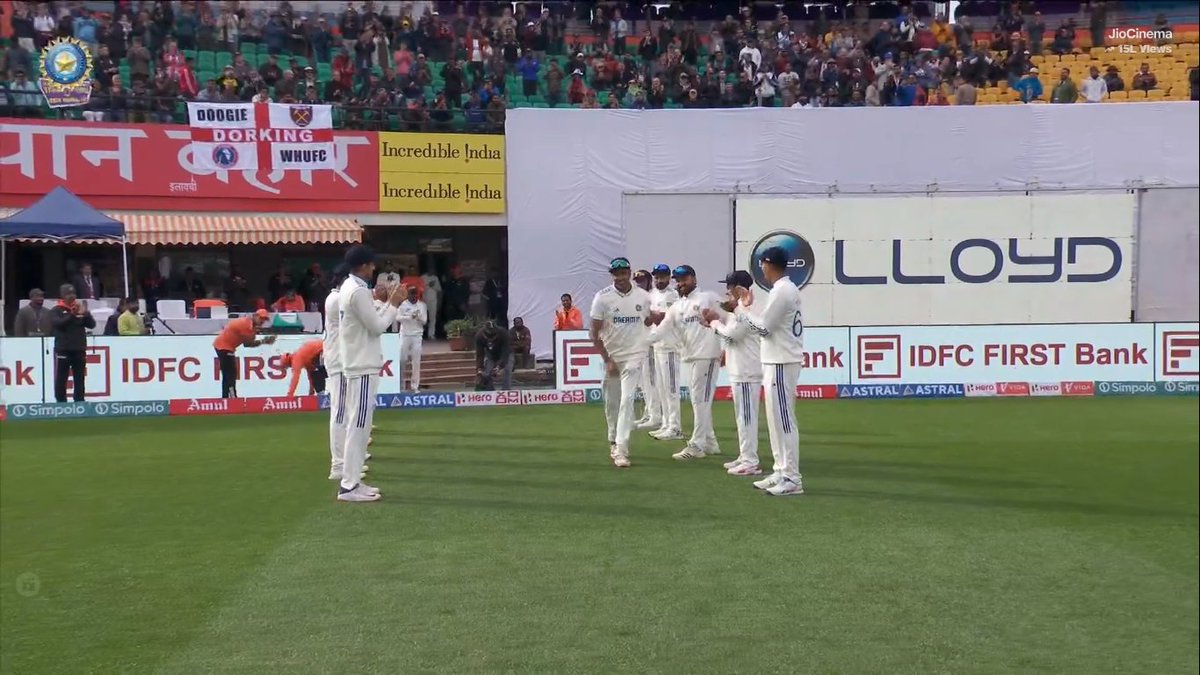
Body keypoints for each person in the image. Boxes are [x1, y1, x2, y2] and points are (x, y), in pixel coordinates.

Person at [729, 246, 807, 496]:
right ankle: (781, 470)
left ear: (769, 264)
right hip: (775, 360)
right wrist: (747, 309)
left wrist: (741, 310)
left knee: (784, 420)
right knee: (775, 420)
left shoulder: (783, 290)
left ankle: (792, 478)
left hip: (782, 361)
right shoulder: (782, 290)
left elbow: (764, 329)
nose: (761, 268)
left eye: (762, 263)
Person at [337, 245, 404, 503]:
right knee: (359, 425)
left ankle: (352, 481)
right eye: (371, 265)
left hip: (358, 363)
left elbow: (369, 321)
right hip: (361, 364)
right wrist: (394, 304)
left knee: (360, 425)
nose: (374, 268)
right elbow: (377, 327)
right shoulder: (357, 291)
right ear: (363, 266)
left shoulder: (350, 288)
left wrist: (385, 302)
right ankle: (349, 485)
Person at [649, 265, 724, 460]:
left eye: (684, 279)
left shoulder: (708, 297)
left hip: (707, 356)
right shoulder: (677, 306)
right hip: (689, 356)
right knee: (698, 400)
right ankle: (710, 442)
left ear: (694, 278)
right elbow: (661, 329)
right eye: (678, 280)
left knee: (701, 401)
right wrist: (640, 344)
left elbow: (728, 318)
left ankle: (697, 444)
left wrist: (725, 348)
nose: (681, 284)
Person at [589, 257, 657, 468]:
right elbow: (594, 332)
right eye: (615, 273)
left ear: (629, 272)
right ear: (612, 275)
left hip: (635, 355)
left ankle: (621, 448)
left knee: (627, 400)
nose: (619, 277)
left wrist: (660, 318)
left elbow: (647, 320)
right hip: (613, 356)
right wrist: (607, 359)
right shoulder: (602, 297)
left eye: (623, 272)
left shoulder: (644, 297)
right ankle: (613, 439)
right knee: (613, 402)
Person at [703, 271, 763, 476]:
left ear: (738, 288)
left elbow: (733, 334)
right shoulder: (737, 310)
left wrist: (713, 322)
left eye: (729, 287)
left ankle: (750, 460)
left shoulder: (746, 308)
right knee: (742, 416)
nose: (726, 291)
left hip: (747, 370)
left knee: (746, 417)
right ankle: (744, 455)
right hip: (740, 369)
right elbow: (727, 338)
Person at [647, 263, 682, 440]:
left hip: (670, 347)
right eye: (656, 277)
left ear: (669, 277)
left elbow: (666, 319)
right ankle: (667, 424)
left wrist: (652, 316)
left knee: (671, 389)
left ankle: (675, 427)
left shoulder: (673, 295)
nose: (659, 280)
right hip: (658, 347)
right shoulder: (653, 295)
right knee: (662, 389)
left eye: (662, 277)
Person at [211, 309, 276, 398]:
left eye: (264, 320)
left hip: (223, 346)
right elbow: (248, 343)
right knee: (230, 374)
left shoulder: (249, 324)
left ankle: (225, 398)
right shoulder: (247, 326)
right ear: (255, 316)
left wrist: (262, 340)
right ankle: (233, 398)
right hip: (224, 347)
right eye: (261, 318)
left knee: (227, 374)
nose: (262, 321)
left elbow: (248, 342)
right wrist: (264, 341)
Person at [50, 284, 96, 402]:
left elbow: (92, 325)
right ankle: (61, 402)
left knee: (79, 378)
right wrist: (72, 315)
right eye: (68, 294)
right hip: (63, 349)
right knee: (61, 377)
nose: (72, 296)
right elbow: (58, 324)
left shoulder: (79, 308)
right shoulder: (57, 310)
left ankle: (79, 401)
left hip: (79, 348)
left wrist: (86, 314)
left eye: (73, 293)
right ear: (62, 296)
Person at [631, 269, 660, 429]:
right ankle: (649, 412)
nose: (639, 284)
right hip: (641, 342)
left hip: (652, 342)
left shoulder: (653, 297)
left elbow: (652, 320)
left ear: (649, 281)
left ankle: (655, 415)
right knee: (644, 381)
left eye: (642, 281)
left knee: (651, 380)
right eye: (637, 281)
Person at [396, 285, 427, 392]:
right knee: (402, 359)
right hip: (405, 335)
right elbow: (397, 317)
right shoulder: (403, 305)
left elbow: (424, 321)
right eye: (411, 294)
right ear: (408, 294)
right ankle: (400, 385)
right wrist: (409, 317)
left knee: (416, 361)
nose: (413, 296)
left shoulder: (422, 305)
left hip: (417, 335)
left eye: (415, 294)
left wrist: (418, 317)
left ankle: (415, 386)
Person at [475, 320, 513, 390]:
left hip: (506, 354)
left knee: (507, 370)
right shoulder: (479, 336)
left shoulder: (504, 333)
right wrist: (479, 368)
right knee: (487, 371)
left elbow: (505, 352)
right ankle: (490, 390)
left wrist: (499, 366)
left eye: (493, 334)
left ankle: (506, 390)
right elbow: (480, 354)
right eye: (489, 334)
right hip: (490, 354)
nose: (491, 337)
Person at [420, 269, 442, 339]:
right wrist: (428, 285)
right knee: (422, 318)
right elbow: (420, 289)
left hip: (433, 300)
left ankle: (431, 334)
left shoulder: (435, 278)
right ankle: (421, 334)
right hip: (423, 300)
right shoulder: (422, 277)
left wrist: (439, 301)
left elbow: (439, 290)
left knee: (432, 318)